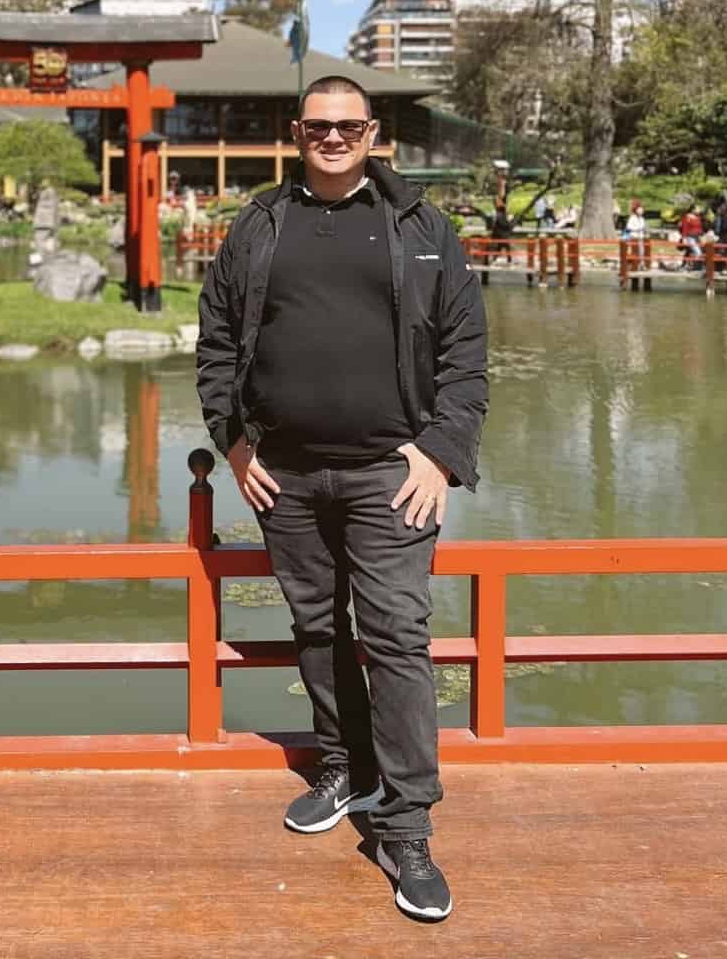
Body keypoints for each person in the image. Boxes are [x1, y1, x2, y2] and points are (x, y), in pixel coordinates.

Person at [196, 75, 488, 924]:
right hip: (284, 473)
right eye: (318, 126)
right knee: (318, 626)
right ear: (297, 133)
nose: (333, 137)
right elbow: (216, 341)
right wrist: (235, 442)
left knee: (396, 637)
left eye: (348, 126)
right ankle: (343, 765)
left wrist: (441, 454)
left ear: (372, 132)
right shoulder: (259, 225)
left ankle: (408, 826)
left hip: (390, 473)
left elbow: (467, 353)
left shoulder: (421, 226)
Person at [679, 205, 704, 271]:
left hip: (697, 237)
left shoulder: (698, 217)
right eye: (698, 209)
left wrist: (702, 235)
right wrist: (684, 238)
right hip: (690, 237)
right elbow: (685, 227)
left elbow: (699, 227)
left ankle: (685, 266)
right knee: (698, 253)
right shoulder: (687, 217)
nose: (699, 210)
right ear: (693, 209)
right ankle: (693, 267)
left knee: (689, 252)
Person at [490, 199, 515, 263]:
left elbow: (494, 226)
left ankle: (496, 258)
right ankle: (508, 259)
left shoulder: (499, 216)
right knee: (505, 247)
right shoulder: (503, 216)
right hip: (503, 235)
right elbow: (507, 226)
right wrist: (510, 221)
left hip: (500, 235)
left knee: (500, 247)